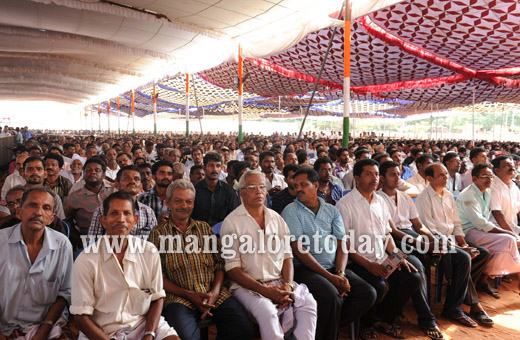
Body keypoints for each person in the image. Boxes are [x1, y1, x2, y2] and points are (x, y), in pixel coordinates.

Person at [148, 179, 255, 340]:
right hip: (179, 298)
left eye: (189, 202)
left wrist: (214, 292)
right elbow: (156, 277)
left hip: (214, 294)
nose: (184, 206)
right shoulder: (157, 233)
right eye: (178, 201)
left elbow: (219, 264)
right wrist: (190, 294)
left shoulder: (203, 228)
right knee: (185, 337)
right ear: (168, 203)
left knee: (243, 329)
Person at [221, 170, 317, 339]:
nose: (258, 191)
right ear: (241, 192)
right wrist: (265, 292)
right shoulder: (232, 222)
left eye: (261, 187)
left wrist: (287, 284)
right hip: (248, 286)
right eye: (252, 187)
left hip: (278, 281)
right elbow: (232, 270)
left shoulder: (276, 219)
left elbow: (288, 256)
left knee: (308, 304)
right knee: (267, 312)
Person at [282, 167, 376, 340]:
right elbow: (298, 249)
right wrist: (330, 277)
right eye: (296, 185)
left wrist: (340, 273)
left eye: (304, 184)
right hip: (304, 269)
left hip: (334, 267)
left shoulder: (331, 210)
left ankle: (320, 328)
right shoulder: (291, 211)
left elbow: (342, 244)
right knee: (332, 297)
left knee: (368, 293)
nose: (298, 189)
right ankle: (326, 331)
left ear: (316, 185)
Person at [71, 191, 180, 340]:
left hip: (143, 324)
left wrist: (149, 334)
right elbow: (81, 318)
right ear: (103, 220)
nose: (121, 219)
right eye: (114, 213)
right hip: (101, 330)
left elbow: (156, 298)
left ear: (135, 220)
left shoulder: (149, 251)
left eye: (126, 213)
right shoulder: (86, 260)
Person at [337, 159, 421, 339]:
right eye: (368, 174)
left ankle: (383, 318)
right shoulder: (345, 204)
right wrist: (368, 265)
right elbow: (344, 245)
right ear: (357, 178)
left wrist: (398, 256)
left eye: (376, 174)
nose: (374, 178)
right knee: (378, 285)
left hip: (380, 257)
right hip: (357, 261)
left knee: (412, 277)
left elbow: (387, 235)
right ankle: (365, 324)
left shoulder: (380, 202)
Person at [416, 163, 491, 327]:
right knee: (464, 258)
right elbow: (431, 231)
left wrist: (463, 243)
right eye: (441, 175)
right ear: (429, 178)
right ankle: (454, 307)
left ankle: (461, 294)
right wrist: (460, 248)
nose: (446, 177)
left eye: (445, 174)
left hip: (452, 240)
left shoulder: (448, 195)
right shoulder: (423, 199)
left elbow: (457, 223)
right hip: (436, 243)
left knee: (483, 253)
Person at [377, 161, 447, 340]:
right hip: (395, 240)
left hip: (411, 235)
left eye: (398, 174)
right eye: (392, 174)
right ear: (382, 178)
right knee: (417, 268)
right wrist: (420, 243)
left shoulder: (404, 197)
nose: (397, 177)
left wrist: (431, 238)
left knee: (448, 252)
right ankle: (427, 319)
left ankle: (449, 308)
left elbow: (417, 224)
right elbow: (393, 232)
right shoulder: (378, 199)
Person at [0, 187, 74, 339]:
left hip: (45, 324)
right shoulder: (1, 241)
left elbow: (65, 292)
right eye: (32, 205)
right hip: (4, 325)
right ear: (19, 212)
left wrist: (44, 329)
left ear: (51, 218)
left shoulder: (62, 244)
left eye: (46, 208)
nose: (38, 212)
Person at [458, 162, 520, 291]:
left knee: (502, 246)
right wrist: (506, 232)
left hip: (481, 231)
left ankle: (484, 278)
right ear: (474, 179)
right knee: (508, 239)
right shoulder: (468, 194)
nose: (490, 179)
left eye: (491, 176)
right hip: (468, 232)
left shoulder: (487, 192)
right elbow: (480, 222)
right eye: (485, 176)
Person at [88, 165, 157, 240]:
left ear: (140, 186)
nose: (132, 181)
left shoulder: (148, 212)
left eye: (136, 179)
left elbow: (154, 242)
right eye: (127, 178)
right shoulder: (102, 210)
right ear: (117, 184)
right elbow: (92, 242)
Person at [64, 157, 115, 249]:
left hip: (113, 238)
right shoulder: (74, 197)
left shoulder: (114, 191)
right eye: (88, 170)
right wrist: (77, 239)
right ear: (84, 174)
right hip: (86, 240)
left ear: (103, 175)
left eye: (97, 170)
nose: (93, 172)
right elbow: (65, 219)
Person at [192, 153, 240, 227]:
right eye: (211, 165)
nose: (215, 169)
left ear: (221, 168)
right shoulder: (194, 190)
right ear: (204, 168)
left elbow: (234, 216)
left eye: (218, 166)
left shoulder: (229, 191)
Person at [489, 155, 520, 235]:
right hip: (498, 229)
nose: (512, 167)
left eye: (512, 164)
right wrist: (513, 235)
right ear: (497, 170)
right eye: (507, 165)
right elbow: (497, 214)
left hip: (513, 227)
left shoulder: (514, 186)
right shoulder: (493, 187)